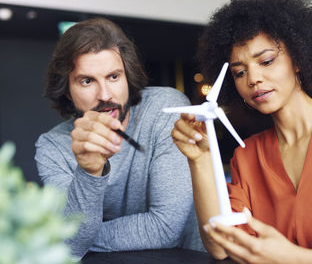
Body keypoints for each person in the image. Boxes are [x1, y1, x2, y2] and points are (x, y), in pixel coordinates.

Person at [171, 0, 312, 263]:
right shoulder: (248, 156)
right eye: (239, 72)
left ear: (298, 59)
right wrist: (198, 160)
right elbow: (222, 247)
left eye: (266, 61)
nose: (254, 79)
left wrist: (295, 258)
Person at [35, 17, 203, 259]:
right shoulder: (52, 147)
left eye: (113, 77)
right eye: (87, 81)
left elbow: (166, 227)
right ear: (67, 91)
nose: (105, 95)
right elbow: (71, 245)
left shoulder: (166, 109)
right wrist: (90, 172)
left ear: (127, 76)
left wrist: (77, 238)